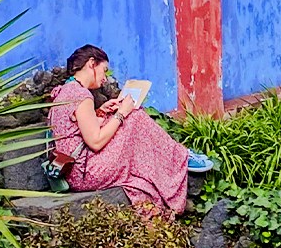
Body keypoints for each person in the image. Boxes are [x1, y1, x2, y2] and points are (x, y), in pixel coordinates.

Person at [46, 44, 212, 218]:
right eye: (104, 70)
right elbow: (95, 142)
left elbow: (77, 131)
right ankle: (180, 157)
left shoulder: (65, 90)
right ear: (91, 63)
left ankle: (176, 156)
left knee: (128, 120)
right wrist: (122, 113)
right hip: (86, 172)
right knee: (135, 117)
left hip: (72, 172)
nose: (104, 78)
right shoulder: (81, 95)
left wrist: (102, 112)